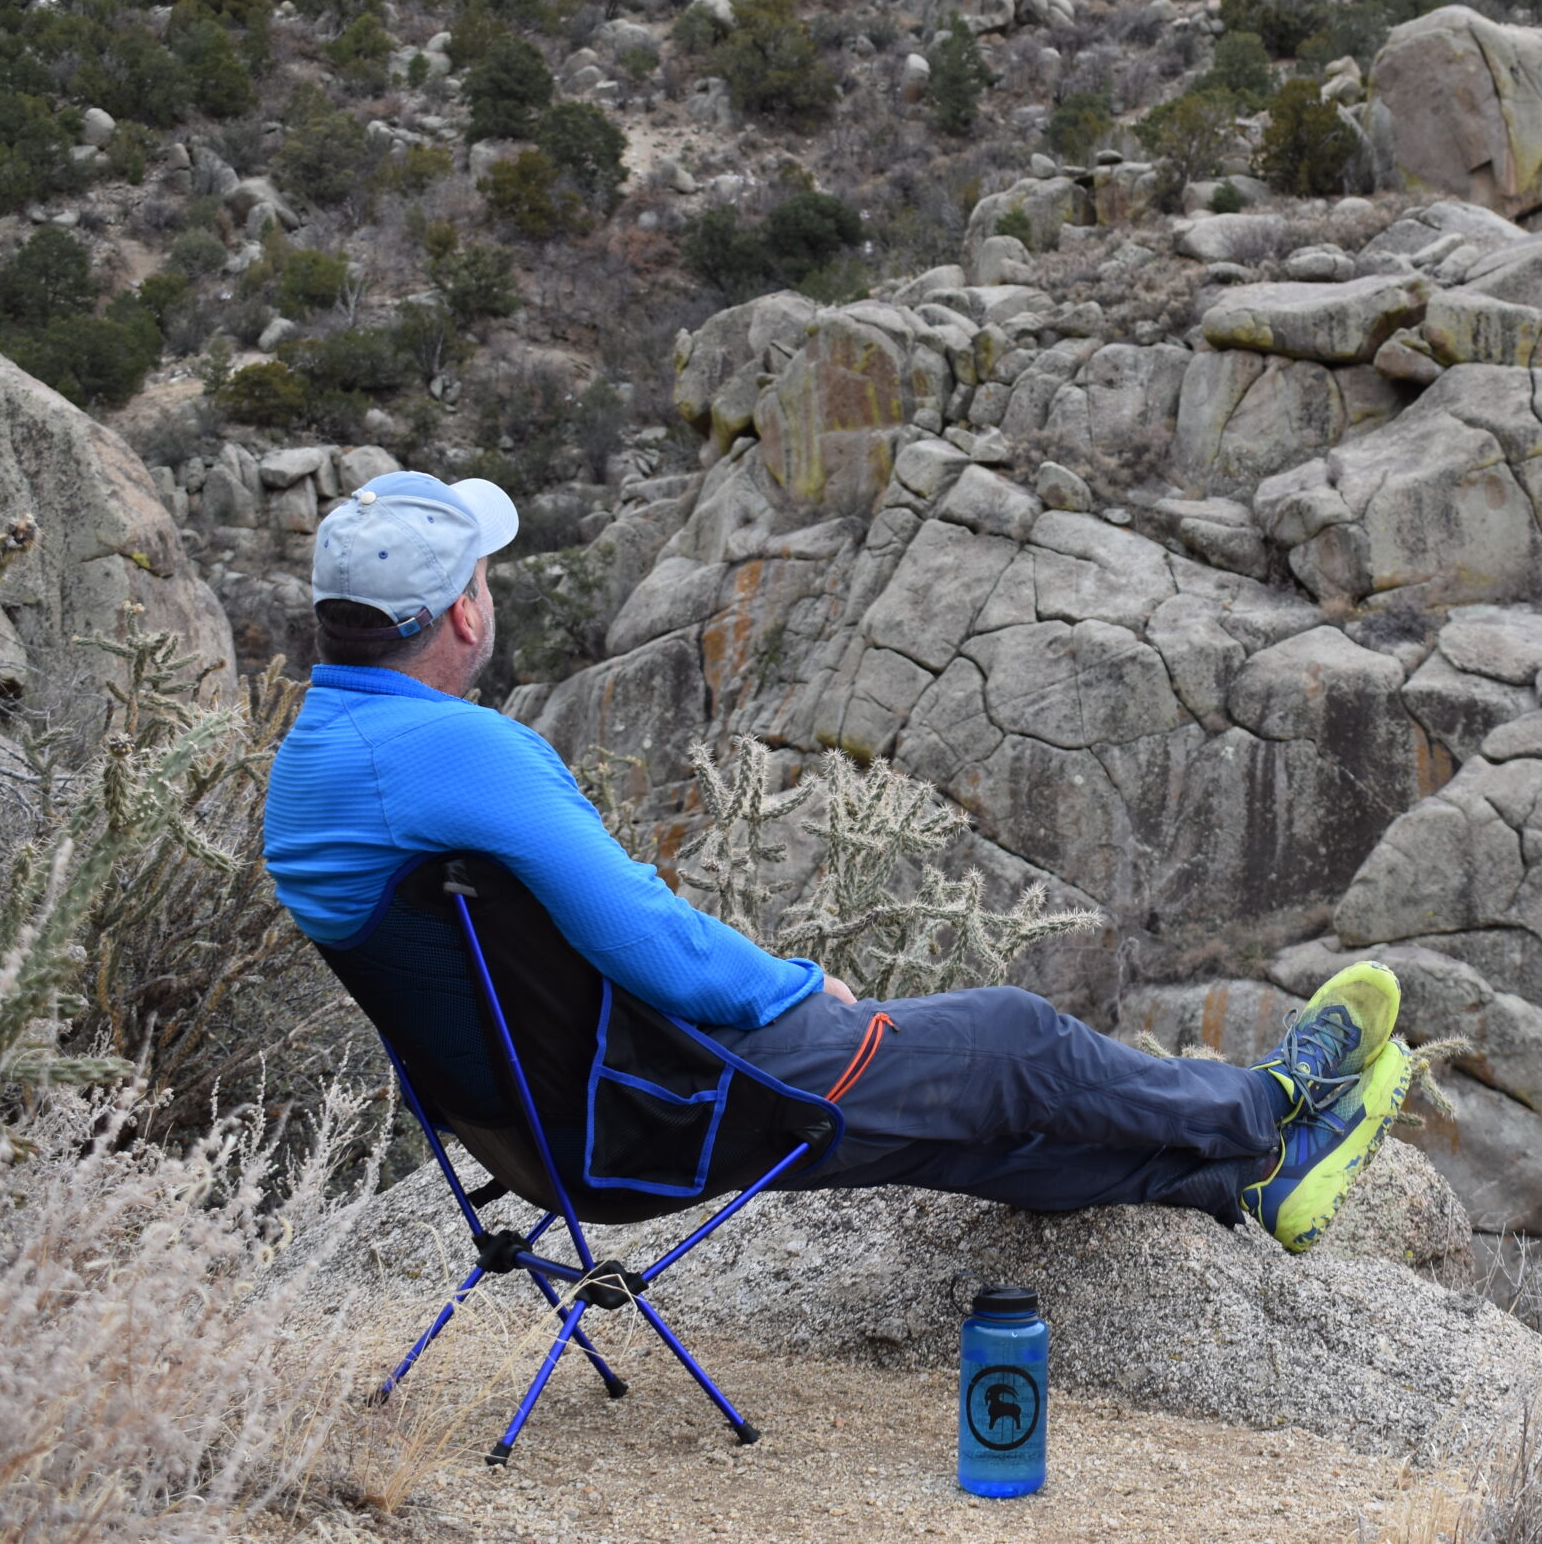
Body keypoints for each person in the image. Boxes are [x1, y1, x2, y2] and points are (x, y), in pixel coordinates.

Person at [265, 471, 1413, 1252]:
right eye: (485, 580)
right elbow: (639, 934)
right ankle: (1270, 1113)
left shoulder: (313, 768)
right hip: (652, 1110)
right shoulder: (458, 754)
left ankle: (1238, 1185)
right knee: (1012, 1035)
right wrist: (791, 987)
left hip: (535, 1130)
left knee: (966, 1105)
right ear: (462, 616)